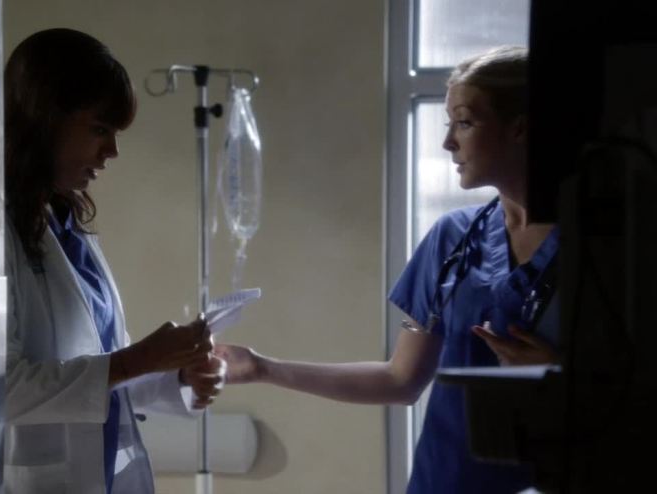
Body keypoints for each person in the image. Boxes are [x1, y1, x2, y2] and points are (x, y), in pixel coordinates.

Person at [216, 46, 559, 494]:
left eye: (464, 123)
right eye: (448, 124)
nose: (448, 143)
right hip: (445, 482)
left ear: (519, 127)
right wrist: (263, 368)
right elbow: (400, 379)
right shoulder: (453, 239)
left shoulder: (608, 250)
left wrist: (561, 376)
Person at [4, 28, 225, 494]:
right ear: (46, 119)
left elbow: (102, 368)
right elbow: (0, 390)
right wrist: (135, 360)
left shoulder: (66, 227)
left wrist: (175, 375)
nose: (112, 152)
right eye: (99, 130)